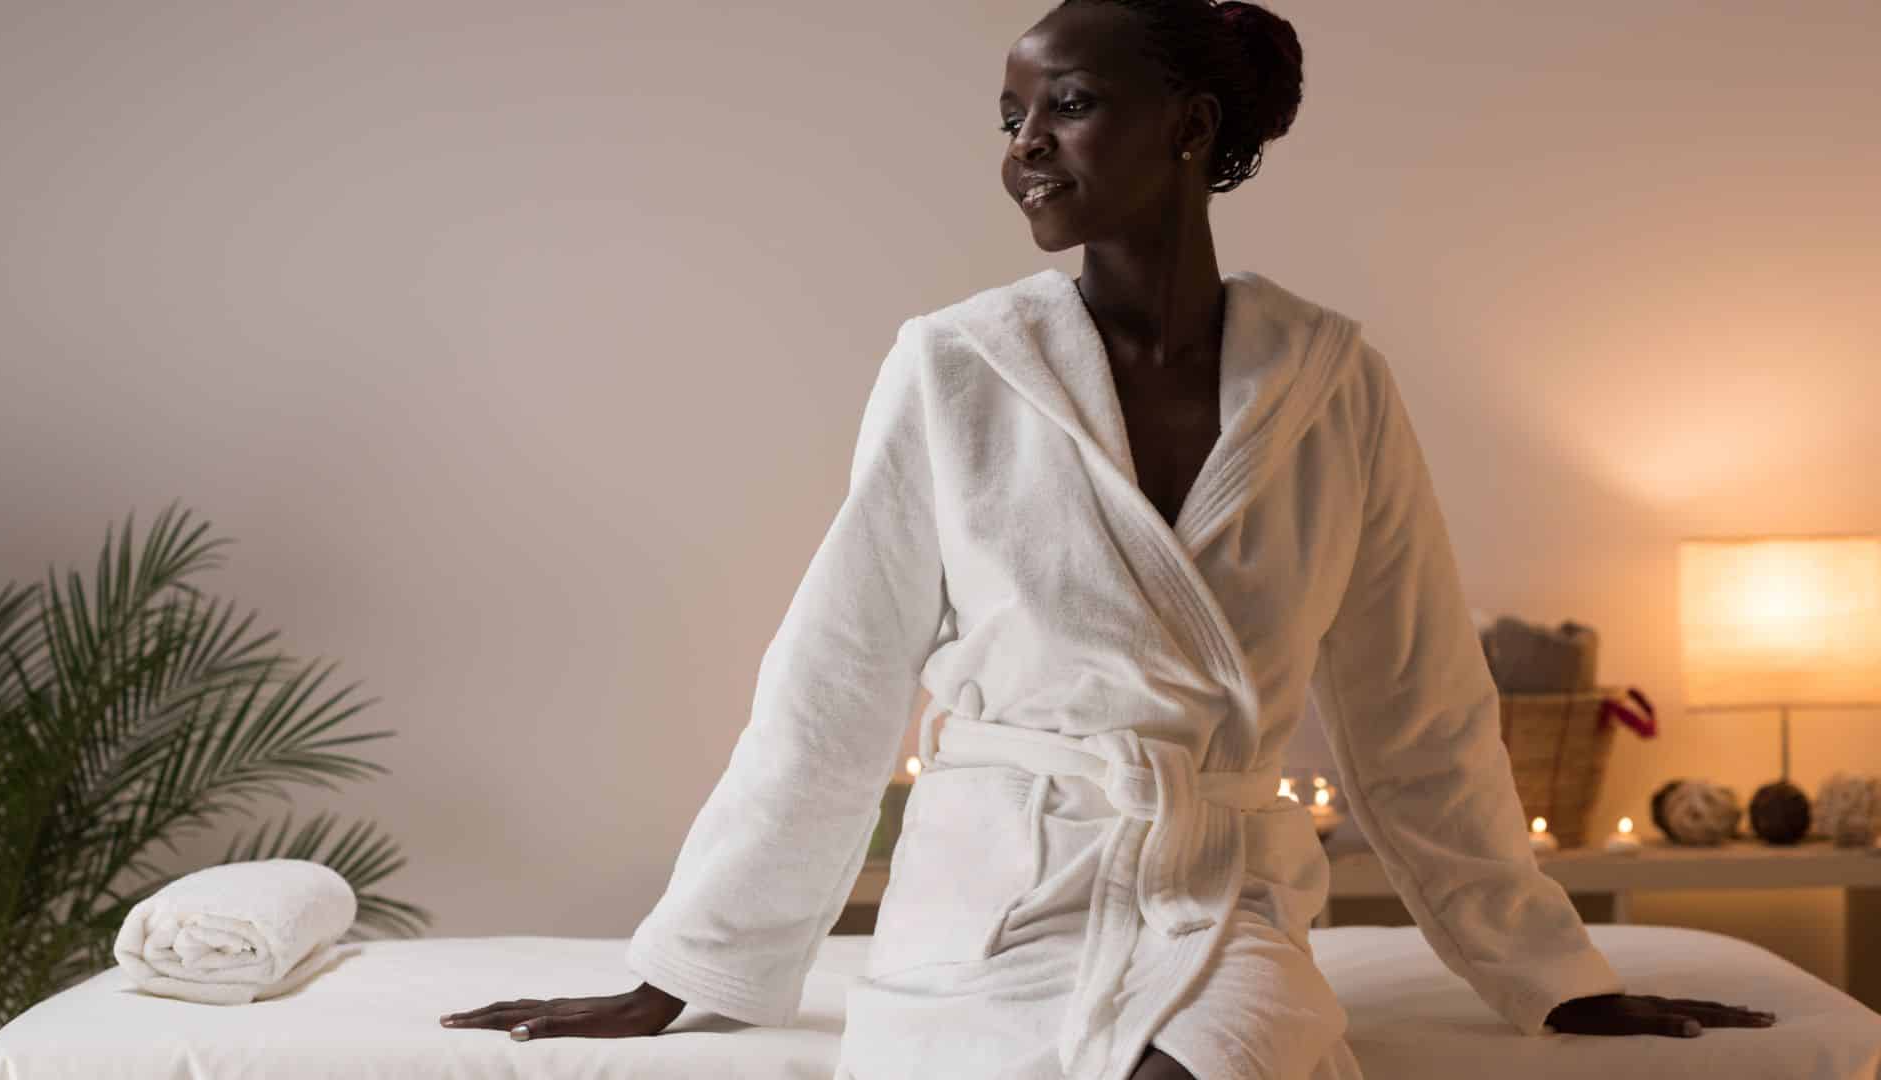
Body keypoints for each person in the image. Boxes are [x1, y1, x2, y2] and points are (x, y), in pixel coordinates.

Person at [441, 2, 1777, 1076]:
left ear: (1190, 128)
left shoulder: (1332, 386)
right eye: (1011, 117)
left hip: (1220, 896)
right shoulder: (955, 368)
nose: (1025, 146)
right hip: (993, 901)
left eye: (1068, 106)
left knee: (1204, 1061)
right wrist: (686, 969)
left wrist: (1551, 976)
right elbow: (833, 682)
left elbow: (1420, 709)